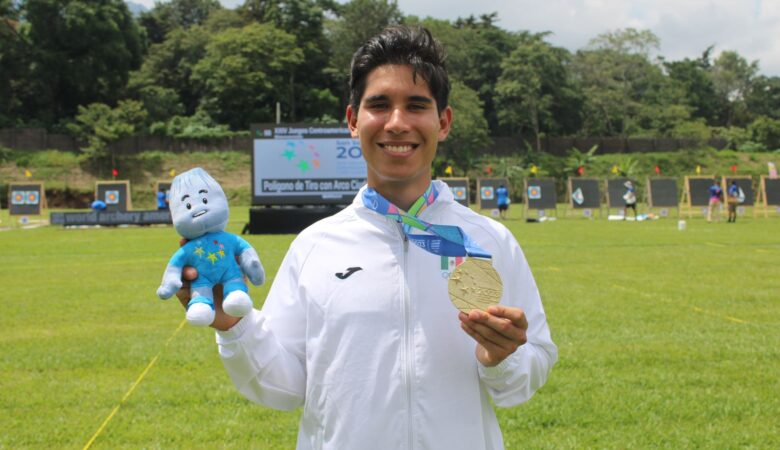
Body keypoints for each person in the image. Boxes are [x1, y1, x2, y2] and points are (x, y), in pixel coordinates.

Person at [176, 25, 556, 450]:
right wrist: (233, 328)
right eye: (379, 105)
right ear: (354, 120)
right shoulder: (315, 246)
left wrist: (502, 359)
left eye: (416, 106)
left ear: (443, 122)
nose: (397, 123)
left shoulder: (490, 240)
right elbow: (283, 386)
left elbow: (531, 366)